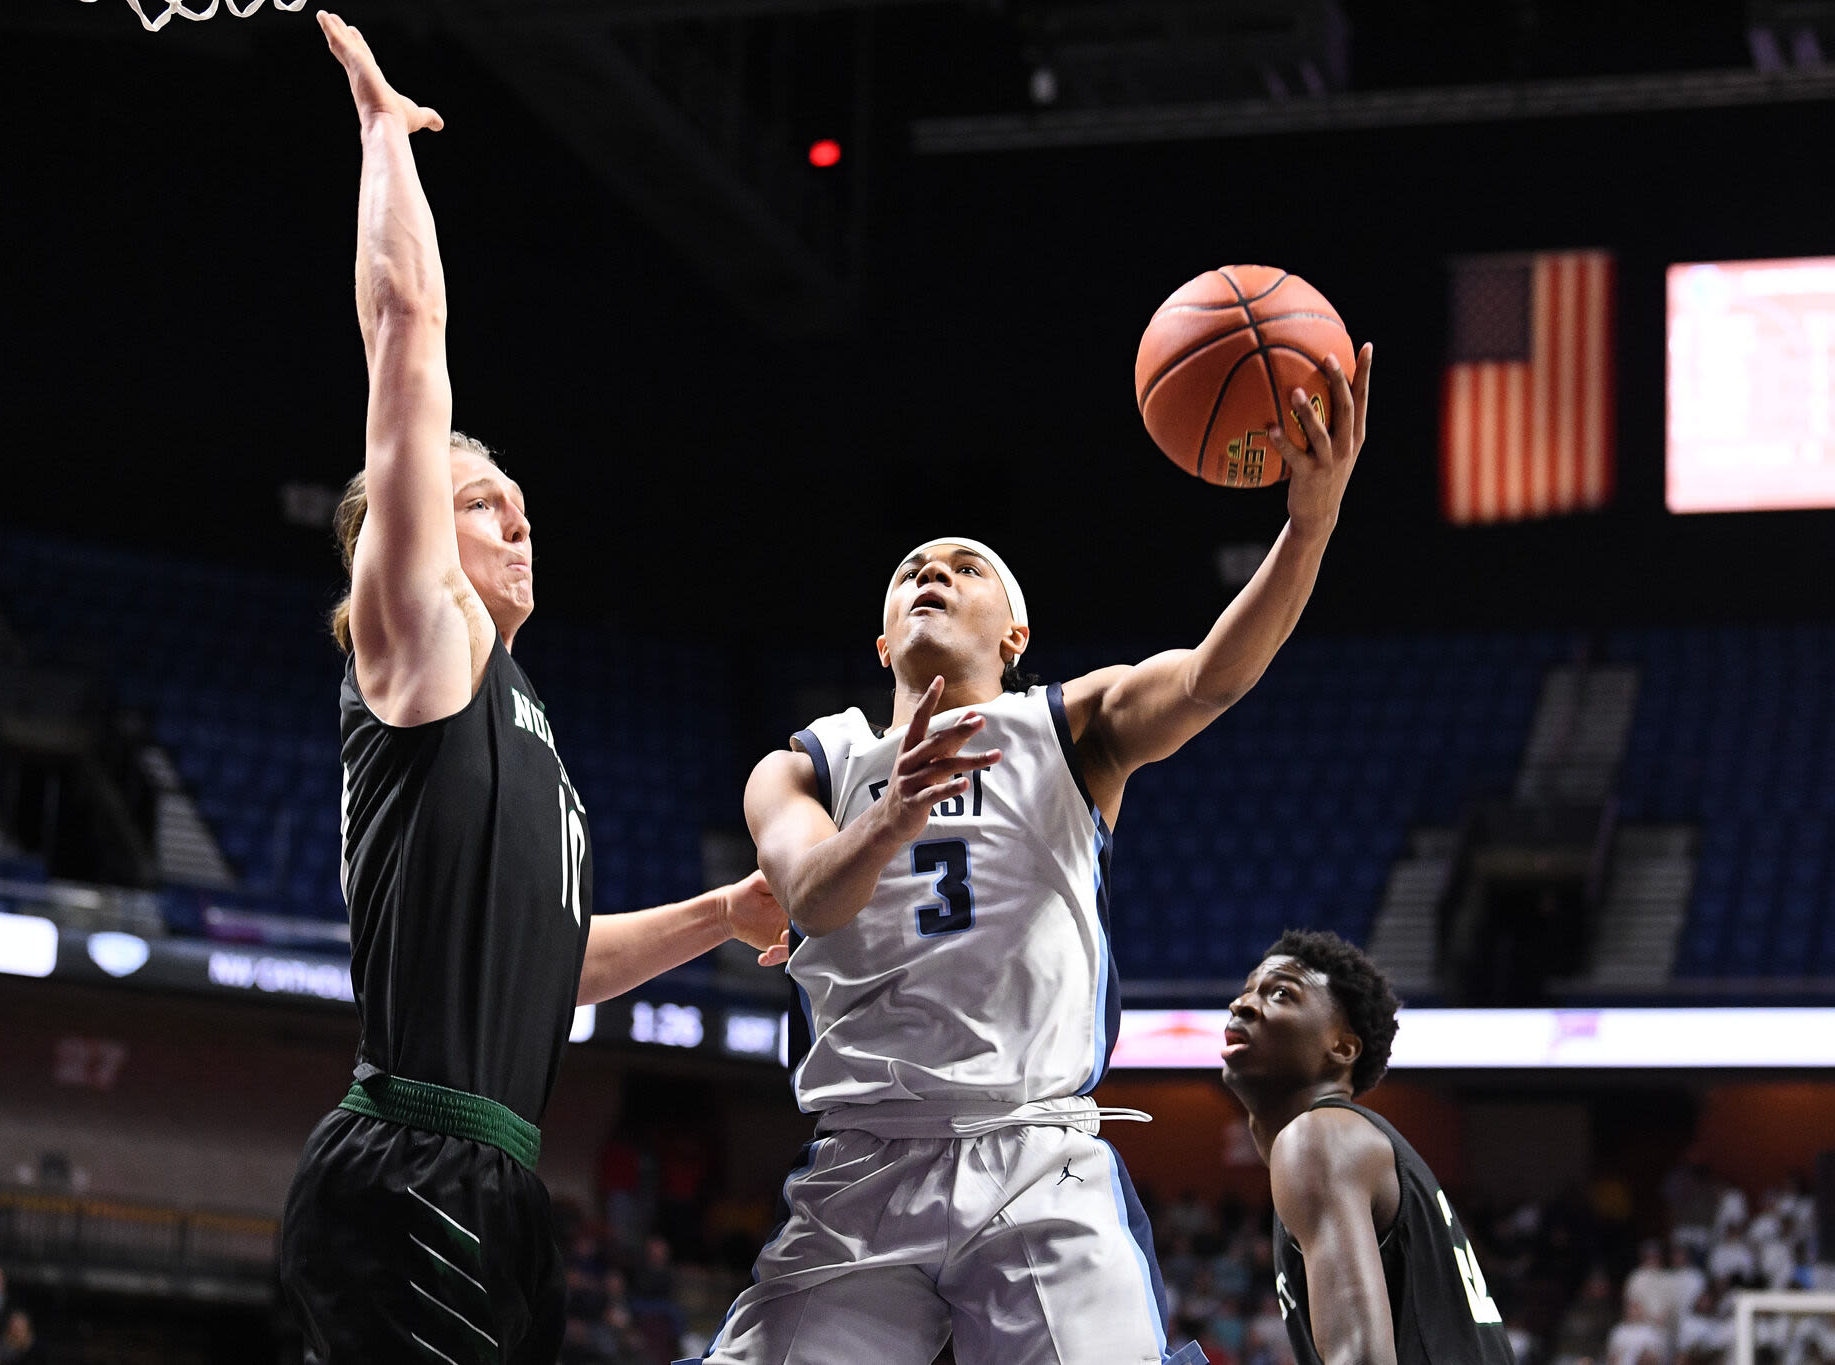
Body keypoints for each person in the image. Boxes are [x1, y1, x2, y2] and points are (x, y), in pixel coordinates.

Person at [279, 15, 791, 1365]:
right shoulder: (416, 640)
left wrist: (725, 910)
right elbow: (405, 333)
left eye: (516, 502)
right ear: (399, 540)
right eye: (478, 501)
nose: (516, 520)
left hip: (497, 1173)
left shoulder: (529, 729)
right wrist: (386, 139)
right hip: (409, 1163)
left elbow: (553, 963)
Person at [699, 346, 1373, 1364]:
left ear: (1013, 632)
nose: (932, 572)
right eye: (910, 572)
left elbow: (1207, 682)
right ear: (882, 644)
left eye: (964, 566)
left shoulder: (1067, 725)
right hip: (860, 1168)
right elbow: (810, 897)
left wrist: (1307, 524)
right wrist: (885, 822)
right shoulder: (806, 764)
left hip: (1034, 1155)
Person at [1219, 930, 1515, 1365]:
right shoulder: (1345, 1145)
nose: (1241, 1005)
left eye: (1281, 993)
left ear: (1342, 1047)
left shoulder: (1318, 1138)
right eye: (1246, 992)